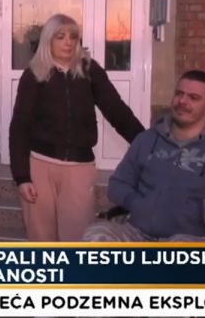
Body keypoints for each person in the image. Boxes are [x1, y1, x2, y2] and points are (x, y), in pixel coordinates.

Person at [83, 70, 205, 242]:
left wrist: (203, 211)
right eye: (179, 94)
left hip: (194, 237)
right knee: (96, 236)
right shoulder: (147, 140)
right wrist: (137, 203)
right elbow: (118, 184)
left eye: (193, 98)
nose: (182, 101)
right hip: (140, 232)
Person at [9, 13, 144, 242]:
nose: (68, 42)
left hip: (79, 168)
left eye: (73, 37)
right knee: (41, 238)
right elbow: (20, 126)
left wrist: (148, 144)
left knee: (78, 238)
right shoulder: (34, 74)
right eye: (60, 36)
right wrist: (22, 177)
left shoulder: (90, 71)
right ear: (48, 40)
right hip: (39, 166)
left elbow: (117, 111)